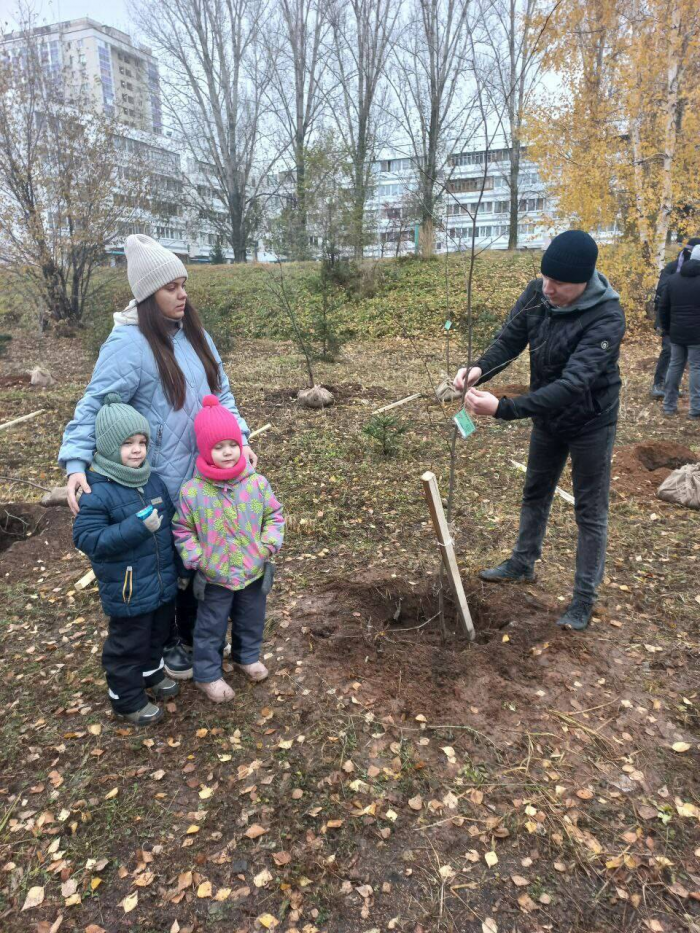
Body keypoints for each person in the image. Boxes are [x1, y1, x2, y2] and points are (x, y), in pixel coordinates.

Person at [59, 235, 257, 681]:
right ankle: (172, 644)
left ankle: (194, 639)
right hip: (163, 482)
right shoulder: (128, 344)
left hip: (208, 475)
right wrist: (75, 462)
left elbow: (220, 392)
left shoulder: (194, 335)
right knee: (173, 565)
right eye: (171, 287)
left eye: (183, 284)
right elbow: (95, 405)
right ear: (148, 295)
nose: (182, 294)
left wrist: (239, 439)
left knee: (202, 560)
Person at [454, 230, 626, 632]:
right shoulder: (537, 293)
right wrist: (481, 368)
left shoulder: (606, 317)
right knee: (535, 489)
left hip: (590, 422)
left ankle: (583, 598)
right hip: (548, 419)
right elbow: (509, 340)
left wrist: (504, 408)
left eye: (559, 284)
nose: (547, 289)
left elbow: (572, 385)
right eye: (545, 277)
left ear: (584, 282)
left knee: (589, 511)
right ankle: (522, 562)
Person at [72, 394, 181, 725]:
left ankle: (152, 673)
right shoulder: (97, 491)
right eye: (127, 443)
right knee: (127, 645)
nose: (137, 450)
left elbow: (173, 525)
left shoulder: (153, 480)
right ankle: (126, 699)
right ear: (107, 447)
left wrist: (181, 568)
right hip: (128, 588)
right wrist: (136, 528)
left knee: (158, 634)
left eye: (141, 442)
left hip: (161, 580)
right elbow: (88, 539)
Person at [173, 396, 284, 703]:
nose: (227, 452)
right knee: (210, 626)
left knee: (251, 618)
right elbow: (182, 529)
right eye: (218, 447)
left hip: (252, 569)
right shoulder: (193, 491)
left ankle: (246, 656)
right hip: (214, 575)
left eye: (232, 445)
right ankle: (207, 675)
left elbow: (273, 516)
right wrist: (197, 558)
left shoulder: (256, 484)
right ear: (205, 450)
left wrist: (267, 545)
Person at [650, 236, 700, 398]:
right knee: (668, 350)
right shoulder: (672, 268)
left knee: (682, 357)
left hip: (685, 319)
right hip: (667, 315)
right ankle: (658, 384)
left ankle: (672, 388)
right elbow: (662, 291)